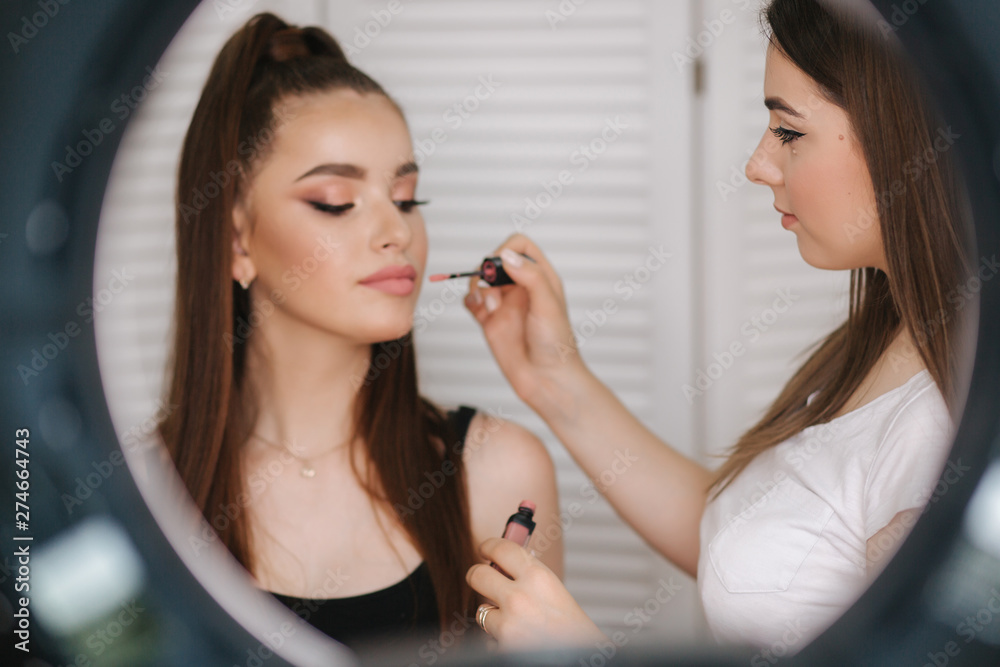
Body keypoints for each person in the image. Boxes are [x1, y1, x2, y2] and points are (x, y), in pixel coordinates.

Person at [463, 0, 972, 651]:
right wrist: (553, 377)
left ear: (909, 136)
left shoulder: (943, 430)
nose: (757, 165)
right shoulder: (893, 333)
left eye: (789, 132)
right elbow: (764, 548)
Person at [156, 13, 562, 653]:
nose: (395, 232)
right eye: (336, 201)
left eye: (406, 199)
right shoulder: (144, 491)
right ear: (235, 237)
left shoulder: (498, 472)